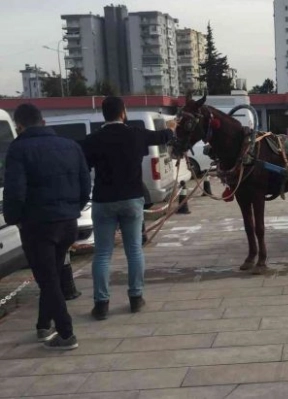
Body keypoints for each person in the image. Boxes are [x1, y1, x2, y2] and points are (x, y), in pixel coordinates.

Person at [3, 104, 91, 350]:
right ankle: (43, 325)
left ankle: (66, 334)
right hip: (67, 223)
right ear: (42, 121)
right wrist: (72, 209)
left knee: (48, 280)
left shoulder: (18, 149)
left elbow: (15, 192)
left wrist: (14, 219)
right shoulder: (70, 146)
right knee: (50, 274)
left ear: (19, 126)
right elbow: (85, 184)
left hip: (37, 225)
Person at [82, 97, 176, 320]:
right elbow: (162, 136)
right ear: (123, 113)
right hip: (132, 199)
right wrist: (171, 128)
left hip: (103, 200)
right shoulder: (136, 134)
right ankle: (135, 298)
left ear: (104, 114)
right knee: (134, 249)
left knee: (103, 253)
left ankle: (101, 304)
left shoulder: (93, 140)